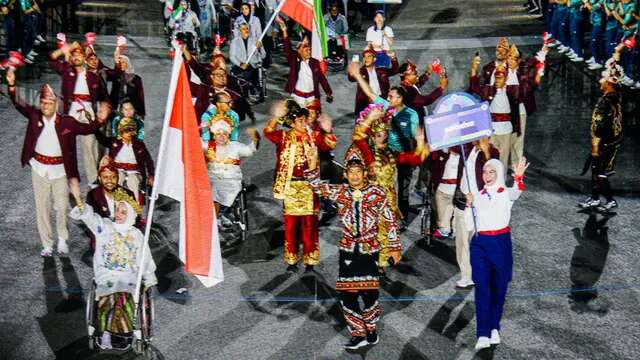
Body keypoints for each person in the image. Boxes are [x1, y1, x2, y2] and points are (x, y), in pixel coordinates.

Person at [304, 144, 400, 350]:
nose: (355, 176)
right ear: (345, 175)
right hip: (347, 251)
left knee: (370, 294)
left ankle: (371, 328)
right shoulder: (340, 192)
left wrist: (394, 247)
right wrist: (312, 162)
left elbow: (390, 220)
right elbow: (315, 185)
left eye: (359, 171)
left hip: (370, 251)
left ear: (365, 173)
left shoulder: (377, 193)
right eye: (351, 172)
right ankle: (358, 333)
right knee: (347, 295)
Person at [5, 69, 108, 256]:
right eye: (43, 103)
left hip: (60, 171)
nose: (45, 106)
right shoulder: (34, 116)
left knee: (61, 207)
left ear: (56, 104)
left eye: (49, 103)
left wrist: (100, 119)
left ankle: (62, 238)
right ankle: (46, 243)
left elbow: (87, 129)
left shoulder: (67, 123)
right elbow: (19, 104)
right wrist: (12, 86)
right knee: (41, 208)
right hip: (39, 169)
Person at [68, 188, 157, 350]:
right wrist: (79, 201)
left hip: (129, 277)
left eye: (123, 211)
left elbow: (144, 258)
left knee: (123, 295)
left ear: (131, 214)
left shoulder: (136, 235)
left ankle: (121, 335)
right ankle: (105, 332)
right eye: (117, 209)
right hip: (106, 275)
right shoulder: (105, 227)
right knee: (108, 295)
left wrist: (148, 275)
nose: (118, 214)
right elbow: (90, 218)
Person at [352, 103, 428, 271]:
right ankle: (370, 265)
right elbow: (358, 137)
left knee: (387, 235)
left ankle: (381, 265)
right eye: (379, 135)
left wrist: (420, 141)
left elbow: (414, 159)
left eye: (385, 134)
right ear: (372, 136)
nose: (383, 138)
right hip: (371, 204)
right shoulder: (368, 155)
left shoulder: (390, 153)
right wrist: (370, 118)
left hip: (388, 203)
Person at [466, 157, 529, 350]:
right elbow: (470, 225)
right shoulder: (476, 195)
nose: (487, 175)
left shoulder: (506, 194)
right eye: (485, 172)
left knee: (499, 289)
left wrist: (518, 177)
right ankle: (482, 333)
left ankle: (494, 327)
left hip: (501, 244)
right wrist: (469, 206)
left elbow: (517, 192)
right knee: (482, 289)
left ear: (499, 174)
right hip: (479, 245)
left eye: (492, 171)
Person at [348, 60, 419, 221]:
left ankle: (401, 217)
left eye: (391, 97)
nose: (388, 98)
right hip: (386, 154)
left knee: (403, 188)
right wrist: (358, 75)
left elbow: (416, 137)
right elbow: (371, 93)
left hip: (403, 155)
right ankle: (382, 214)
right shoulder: (387, 107)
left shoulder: (411, 114)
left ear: (400, 99)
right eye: (388, 96)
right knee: (384, 185)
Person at [263, 100, 321, 272]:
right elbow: (268, 131)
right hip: (290, 187)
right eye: (299, 120)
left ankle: (310, 261)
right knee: (291, 225)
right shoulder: (284, 137)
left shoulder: (314, 137)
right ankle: (292, 260)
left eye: (305, 120)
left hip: (308, 187)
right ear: (292, 122)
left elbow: (328, 142)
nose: (303, 123)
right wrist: (277, 116)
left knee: (310, 226)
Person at [49, 41, 108, 184]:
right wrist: (66, 48)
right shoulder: (66, 71)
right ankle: (69, 181)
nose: (76, 57)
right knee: (66, 148)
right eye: (73, 55)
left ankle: (93, 181)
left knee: (90, 147)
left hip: (87, 114)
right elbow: (52, 58)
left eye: (79, 55)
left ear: (84, 58)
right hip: (69, 114)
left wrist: (104, 110)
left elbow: (104, 97)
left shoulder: (94, 77)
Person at [454, 139, 500, 289]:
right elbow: (448, 144)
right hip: (463, 200)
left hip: (479, 204)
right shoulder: (465, 147)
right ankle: (466, 276)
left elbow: (493, 172)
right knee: (462, 242)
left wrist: (486, 150)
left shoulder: (492, 152)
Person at [579, 58, 623, 212]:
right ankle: (595, 198)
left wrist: (596, 145)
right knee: (596, 169)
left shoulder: (605, 102)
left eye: (603, 79)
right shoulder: (616, 96)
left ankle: (609, 200)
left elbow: (600, 125)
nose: (600, 81)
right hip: (612, 140)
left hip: (604, 142)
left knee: (599, 171)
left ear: (609, 83)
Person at [469, 56, 521, 172]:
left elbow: (526, 88)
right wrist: (474, 68)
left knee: (503, 158)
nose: (497, 81)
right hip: (491, 130)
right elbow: (474, 86)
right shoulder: (488, 90)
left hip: (506, 130)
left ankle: (500, 183)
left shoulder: (512, 90)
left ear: (506, 79)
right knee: (489, 157)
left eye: (500, 79)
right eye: (496, 78)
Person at [204, 114, 259, 220]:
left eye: (224, 134)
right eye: (218, 134)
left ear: (228, 135)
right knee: (214, 191)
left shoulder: (235, 146)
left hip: (232, 181)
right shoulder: (208, 146)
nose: (221, 136)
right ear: (214, 135)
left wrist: (255, 138)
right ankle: (216, 217)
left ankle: (223, 211)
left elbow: (250, 150)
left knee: (227, 191)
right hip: (213, 180)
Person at [86, 157, 141, 251]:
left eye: (113, 177)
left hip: (124, 236)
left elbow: (136, 217)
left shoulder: (127, 194)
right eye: (105, 177)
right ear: (99, 178)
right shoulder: (92, 195)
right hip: (102, 237)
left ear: (118, 177)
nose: (110, 181)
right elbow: (90, 221)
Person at [277, 17, 333, 107]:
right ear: (299, 50)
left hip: (312, 98)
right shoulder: (294, 59)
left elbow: (322, 78)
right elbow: (287, 49)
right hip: (297, 98)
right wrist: (284, 31)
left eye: (309, 49)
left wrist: (328, 92)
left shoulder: (314, 62)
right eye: (305, 48)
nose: (309, 51)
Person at [96, 117, 154, 204]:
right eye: (126, 130)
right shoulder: (114, 142)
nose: (128, 133)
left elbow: (148, 161)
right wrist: (95, 128)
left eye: (131, 130)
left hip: (134, 171)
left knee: (133, 180)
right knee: (117, 180)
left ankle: (135, 208)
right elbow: (102, 139)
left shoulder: (139, 145)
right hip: (117, 170)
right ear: (121, 131)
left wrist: (151, 175)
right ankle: (116, 206)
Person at [505, 43, 546, 166]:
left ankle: (516, 166)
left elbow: (531, 83)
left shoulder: (523, 73)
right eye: (509, 58)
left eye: (513, 59)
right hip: (505, 111)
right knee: (505, 138)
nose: (510, 61)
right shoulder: (501, 71)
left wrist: (542, 54)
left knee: (518, 139)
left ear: (518, 61)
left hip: (519, 110)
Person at [347, 47, 399, 115]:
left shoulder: (381, 71)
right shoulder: (360, 71)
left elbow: (395, 70)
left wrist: (393, 58)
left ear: (374, 59)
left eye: (369, 56)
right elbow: (351, 78)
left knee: (382, 124)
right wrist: (352, 69)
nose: (366, 59)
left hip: (381, 102)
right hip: (365, 104)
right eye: (364, 57)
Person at [229, 22, 266, 101]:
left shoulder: (255, 40)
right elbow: (232, 56)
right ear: (239, 31)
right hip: (240, 66)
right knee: (244, 74)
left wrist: (260, 47)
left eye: (247, 28)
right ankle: (246, 92)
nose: (246, 30)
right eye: (243, 29)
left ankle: (253, 91)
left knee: (253, 72)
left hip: (253, 66)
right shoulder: (235, 42)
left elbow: (263, 55)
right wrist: (240, 64)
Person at [109, 54, 146, 119]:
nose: (122, 64)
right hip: (118, 109)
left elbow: (140, 95)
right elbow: (113, 93)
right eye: (120, 63)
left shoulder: (136, 79)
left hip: (132, 109)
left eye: (123, 62)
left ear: (127, 63)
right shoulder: (116, 77)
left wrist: (142, 112)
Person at [585, 0, 606, 70]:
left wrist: (586, 2)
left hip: (599, 24)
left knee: (593, 43)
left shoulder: (601, 1)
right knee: (594, 43)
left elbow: (592, 8)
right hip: (594, 23)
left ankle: (598, 62)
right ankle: (595, 57)